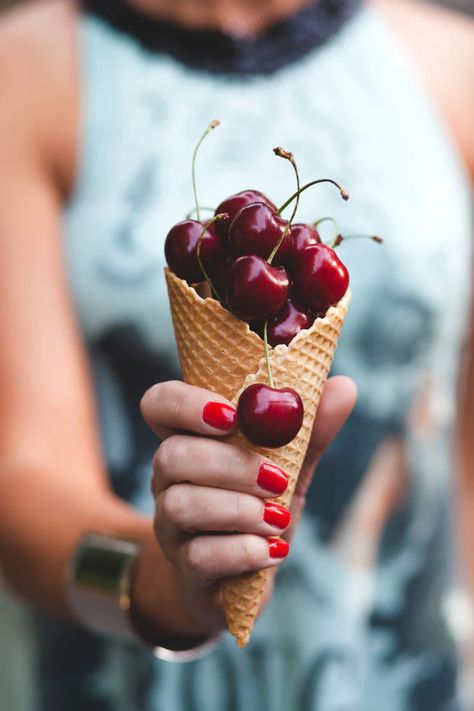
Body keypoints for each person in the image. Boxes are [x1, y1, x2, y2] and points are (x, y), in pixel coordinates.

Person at [0, 0, 473, 709]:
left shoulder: (452, 63)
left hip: (407, 677)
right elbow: (21, 480)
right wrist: (162, 582)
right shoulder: (24, 73)